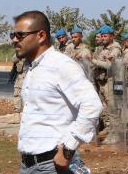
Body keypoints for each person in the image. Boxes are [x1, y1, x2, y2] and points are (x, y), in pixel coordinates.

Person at [13, 10, 101, 174]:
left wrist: (68, 151)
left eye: (20, 35)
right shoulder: (33, 67)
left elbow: (92, 105)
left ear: (41, 35)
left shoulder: (61, 65)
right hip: (29, 165)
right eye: (13, 35)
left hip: (52, 165)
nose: (14, 40)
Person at [91, 25, 122, 144]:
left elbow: (109, 65)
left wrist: (92, 61)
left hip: (113, 81)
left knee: (113, 108)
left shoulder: (115, 49)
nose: (103, 38)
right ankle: (111, 132)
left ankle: (116, 135)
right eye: (102, 36)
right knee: (107, 108)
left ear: (112, 36)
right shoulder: (104, 49)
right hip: (103, 81)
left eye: (105, 36)